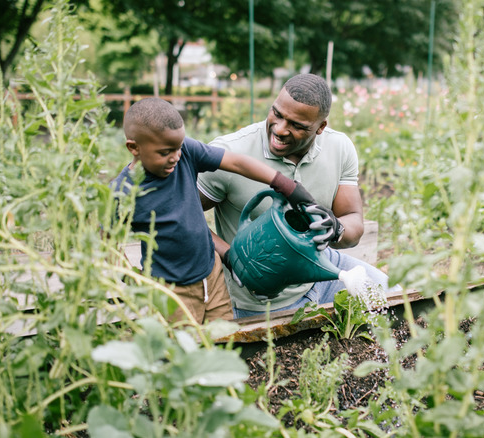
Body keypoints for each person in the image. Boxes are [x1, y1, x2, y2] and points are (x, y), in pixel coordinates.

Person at [198, 73, 395, 319]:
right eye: (277, 114)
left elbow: (353, 221)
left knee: (397, 299)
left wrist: (336, 228)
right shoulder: (231, 154)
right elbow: (181, 214)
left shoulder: (339, 148)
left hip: (320, 272)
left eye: (297, 126)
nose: (280, 129)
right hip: (259, 298)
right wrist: (231, 256)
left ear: (321, 127)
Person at [111, 97, 318, 324]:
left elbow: (237, 162)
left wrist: (285, 184)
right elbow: (106, 242)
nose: (176, 156)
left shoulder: (185, 153)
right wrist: (131, 279)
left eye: (178, 148)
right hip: (170, 292)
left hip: (212, 276)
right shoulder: (124, 193)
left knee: (225, 339)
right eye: (165, 152)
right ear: (134, 148)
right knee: (182, 353)